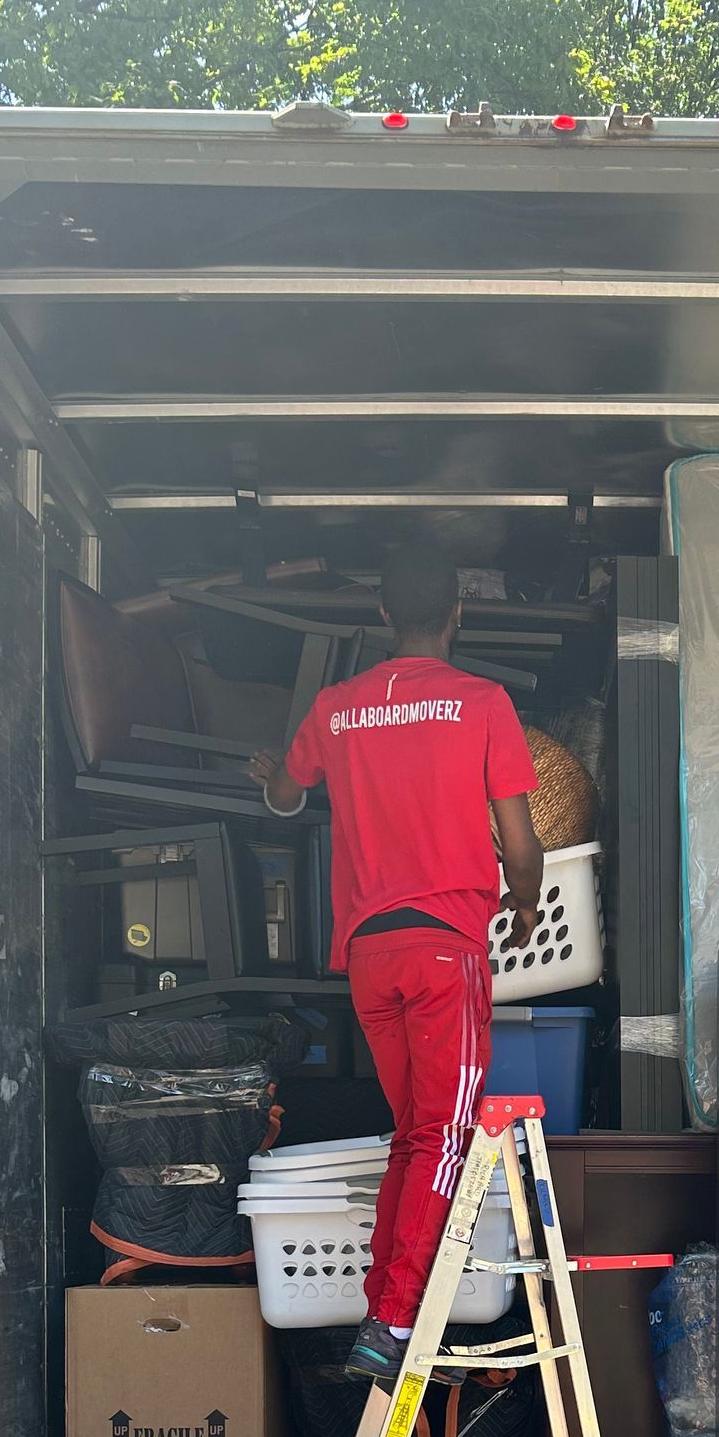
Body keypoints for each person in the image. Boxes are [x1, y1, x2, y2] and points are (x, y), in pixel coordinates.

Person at [251, 545, 544, 1385]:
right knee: (441, 1138)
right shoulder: (482, 703)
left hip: (371, 954)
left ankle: (388, 1305)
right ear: (457, 616)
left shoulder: (339, 708)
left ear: (382, 618)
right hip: (446, 948)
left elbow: (286, 795)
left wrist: (275, 778)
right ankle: (390, 1320)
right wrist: (523, 903)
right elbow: (521, 845)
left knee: (420, 1139)